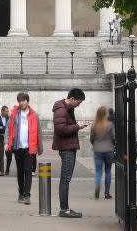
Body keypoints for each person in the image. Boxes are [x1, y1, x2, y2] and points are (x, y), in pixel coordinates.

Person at [52, 88, 88, 218]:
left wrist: (78, 125)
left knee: (66, 179)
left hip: (68, 146)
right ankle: (64, 209)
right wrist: (78, 126)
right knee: (65, 179)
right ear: (72, 99)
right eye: (78, 102)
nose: (79, 104)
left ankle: (65, 208)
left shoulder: (67, 108)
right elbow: (61, 129)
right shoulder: (61, 109)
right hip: (66, 147)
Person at [5, 92, 42, 205]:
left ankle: (27, 195)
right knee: (20, 172)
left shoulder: (34, 115)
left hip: (29, 148)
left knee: (28, 171)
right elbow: (8, 129)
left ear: (27, 101)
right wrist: (7, 142)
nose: (21, 103)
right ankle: (21, 193)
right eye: (19, 101)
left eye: (23, 100)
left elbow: (39, 132)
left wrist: (39, 147)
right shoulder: (14, 114)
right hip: (17, 147)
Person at [89, 105, 114, 200]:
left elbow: (92, 138)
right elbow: (113, 137)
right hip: (108, 149)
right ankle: (107, 193)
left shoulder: (94, 124)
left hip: (97, 150)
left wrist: (95, 144)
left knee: (98, 171)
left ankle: (97, 185)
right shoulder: (110, 124)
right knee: (108, 171)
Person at [0, 105, 12, 176]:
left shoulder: (10, 119)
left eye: (8, 111)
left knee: (8, 155)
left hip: (7, 139)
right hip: (0, 139)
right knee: (0, 155)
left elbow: (9, 129)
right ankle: (2, 171)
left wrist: (2, 128)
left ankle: (7, 169)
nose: (7, 112)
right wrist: (3, 128)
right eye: (6, 111)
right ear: (2, 111)